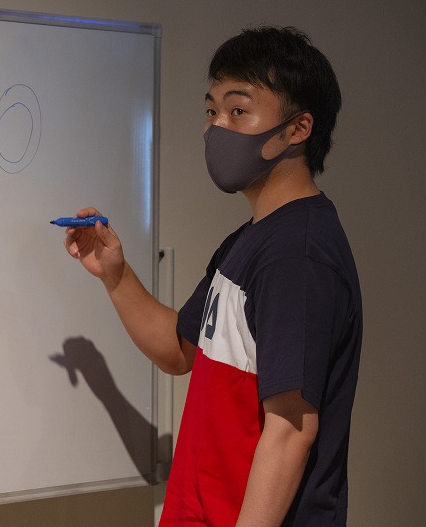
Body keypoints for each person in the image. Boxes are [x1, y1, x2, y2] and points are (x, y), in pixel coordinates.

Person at [62, 26, 362, 526]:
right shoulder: (253, 239)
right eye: (211, 111)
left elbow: (290, 429)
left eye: (238, 110)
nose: (216, 127)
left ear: (298, 129)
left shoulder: (298, 256)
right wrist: (115, 274)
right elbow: (179, 350)